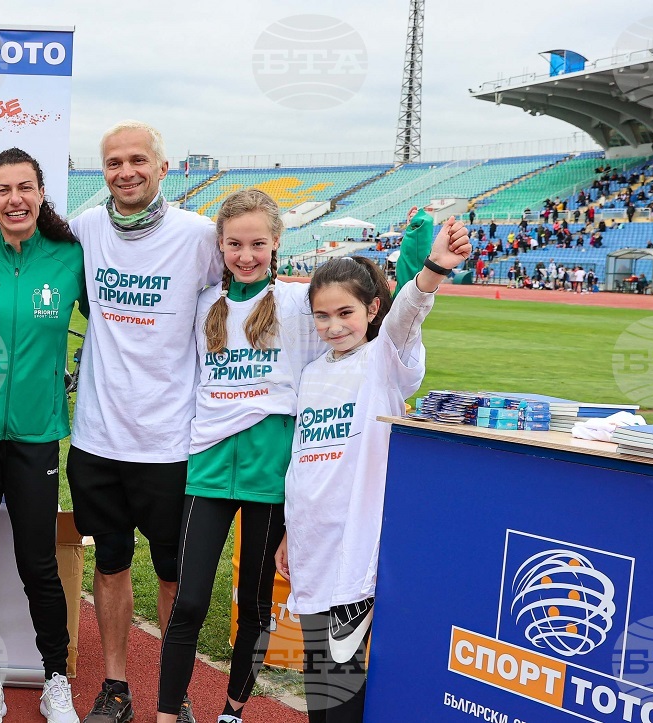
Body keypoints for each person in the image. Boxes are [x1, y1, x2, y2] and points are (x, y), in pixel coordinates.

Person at [276, 217, 471, 722]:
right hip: (311, 542)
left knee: (343, 678)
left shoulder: (384, 359)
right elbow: (302, 462)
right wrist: (289, 532)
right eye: (322, 316)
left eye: (345, 312)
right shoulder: (312, 373)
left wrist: (433, 269)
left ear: (372, 309)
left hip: (355, 547)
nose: (333, 326)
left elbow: (410, 312)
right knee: (319, 676)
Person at [66, 121, 223, 723]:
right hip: (98, 438)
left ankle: (173, 694)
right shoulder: (85, 228)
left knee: (172, 575)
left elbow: (247, 291)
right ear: (102, 171)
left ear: (163, 167)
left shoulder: (199, 236)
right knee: (109, 565)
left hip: (170, 442)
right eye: (113, 162)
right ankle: (116, 687)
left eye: (138, 160)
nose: (125, 171)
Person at [156, 190, 329, 723]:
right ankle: (166, 714)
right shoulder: (203, 303)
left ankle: (232, 712)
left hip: (270, 476)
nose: (245, 255)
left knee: (254, 606)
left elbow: (364, 323)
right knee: (188, 602)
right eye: (234, 244)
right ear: (220, 245)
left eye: (257, 244)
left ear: (276, 242)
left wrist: (419, 269)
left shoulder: (299, 304)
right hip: (206, 469)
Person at [0, 148, 83, 723]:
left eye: (25, 187)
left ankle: (56, 678)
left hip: (36, 437)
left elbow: (115, 324)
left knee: (38, 564)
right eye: (3, 190)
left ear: (41, 193)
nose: (15, 199)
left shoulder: (69, 258)